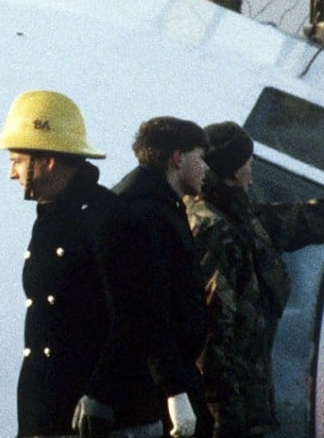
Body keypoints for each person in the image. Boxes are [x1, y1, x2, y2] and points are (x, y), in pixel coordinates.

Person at [183, 121, 324, 436]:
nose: (252, 173)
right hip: (229, 408)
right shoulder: (214, 230)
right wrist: (223, 414)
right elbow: (212, 334)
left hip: (246, 399)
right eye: (248, 165)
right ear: (234, 173)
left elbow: (294, 221)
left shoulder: (237, 218)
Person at [0, 90, 164, 438]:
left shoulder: (109, 219)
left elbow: (136, 317)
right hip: (53, 416)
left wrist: (100, 394)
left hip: (100, 421)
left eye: (17, 161)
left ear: (48, 160)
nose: (12, 174)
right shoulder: (54, 218)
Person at [112, 116, 209, 438]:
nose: (206, 168)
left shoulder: (156, 204)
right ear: (178, 158)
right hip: (150, 389)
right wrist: (175, 391)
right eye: (201, 157)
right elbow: (148, 308)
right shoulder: (145, 212)